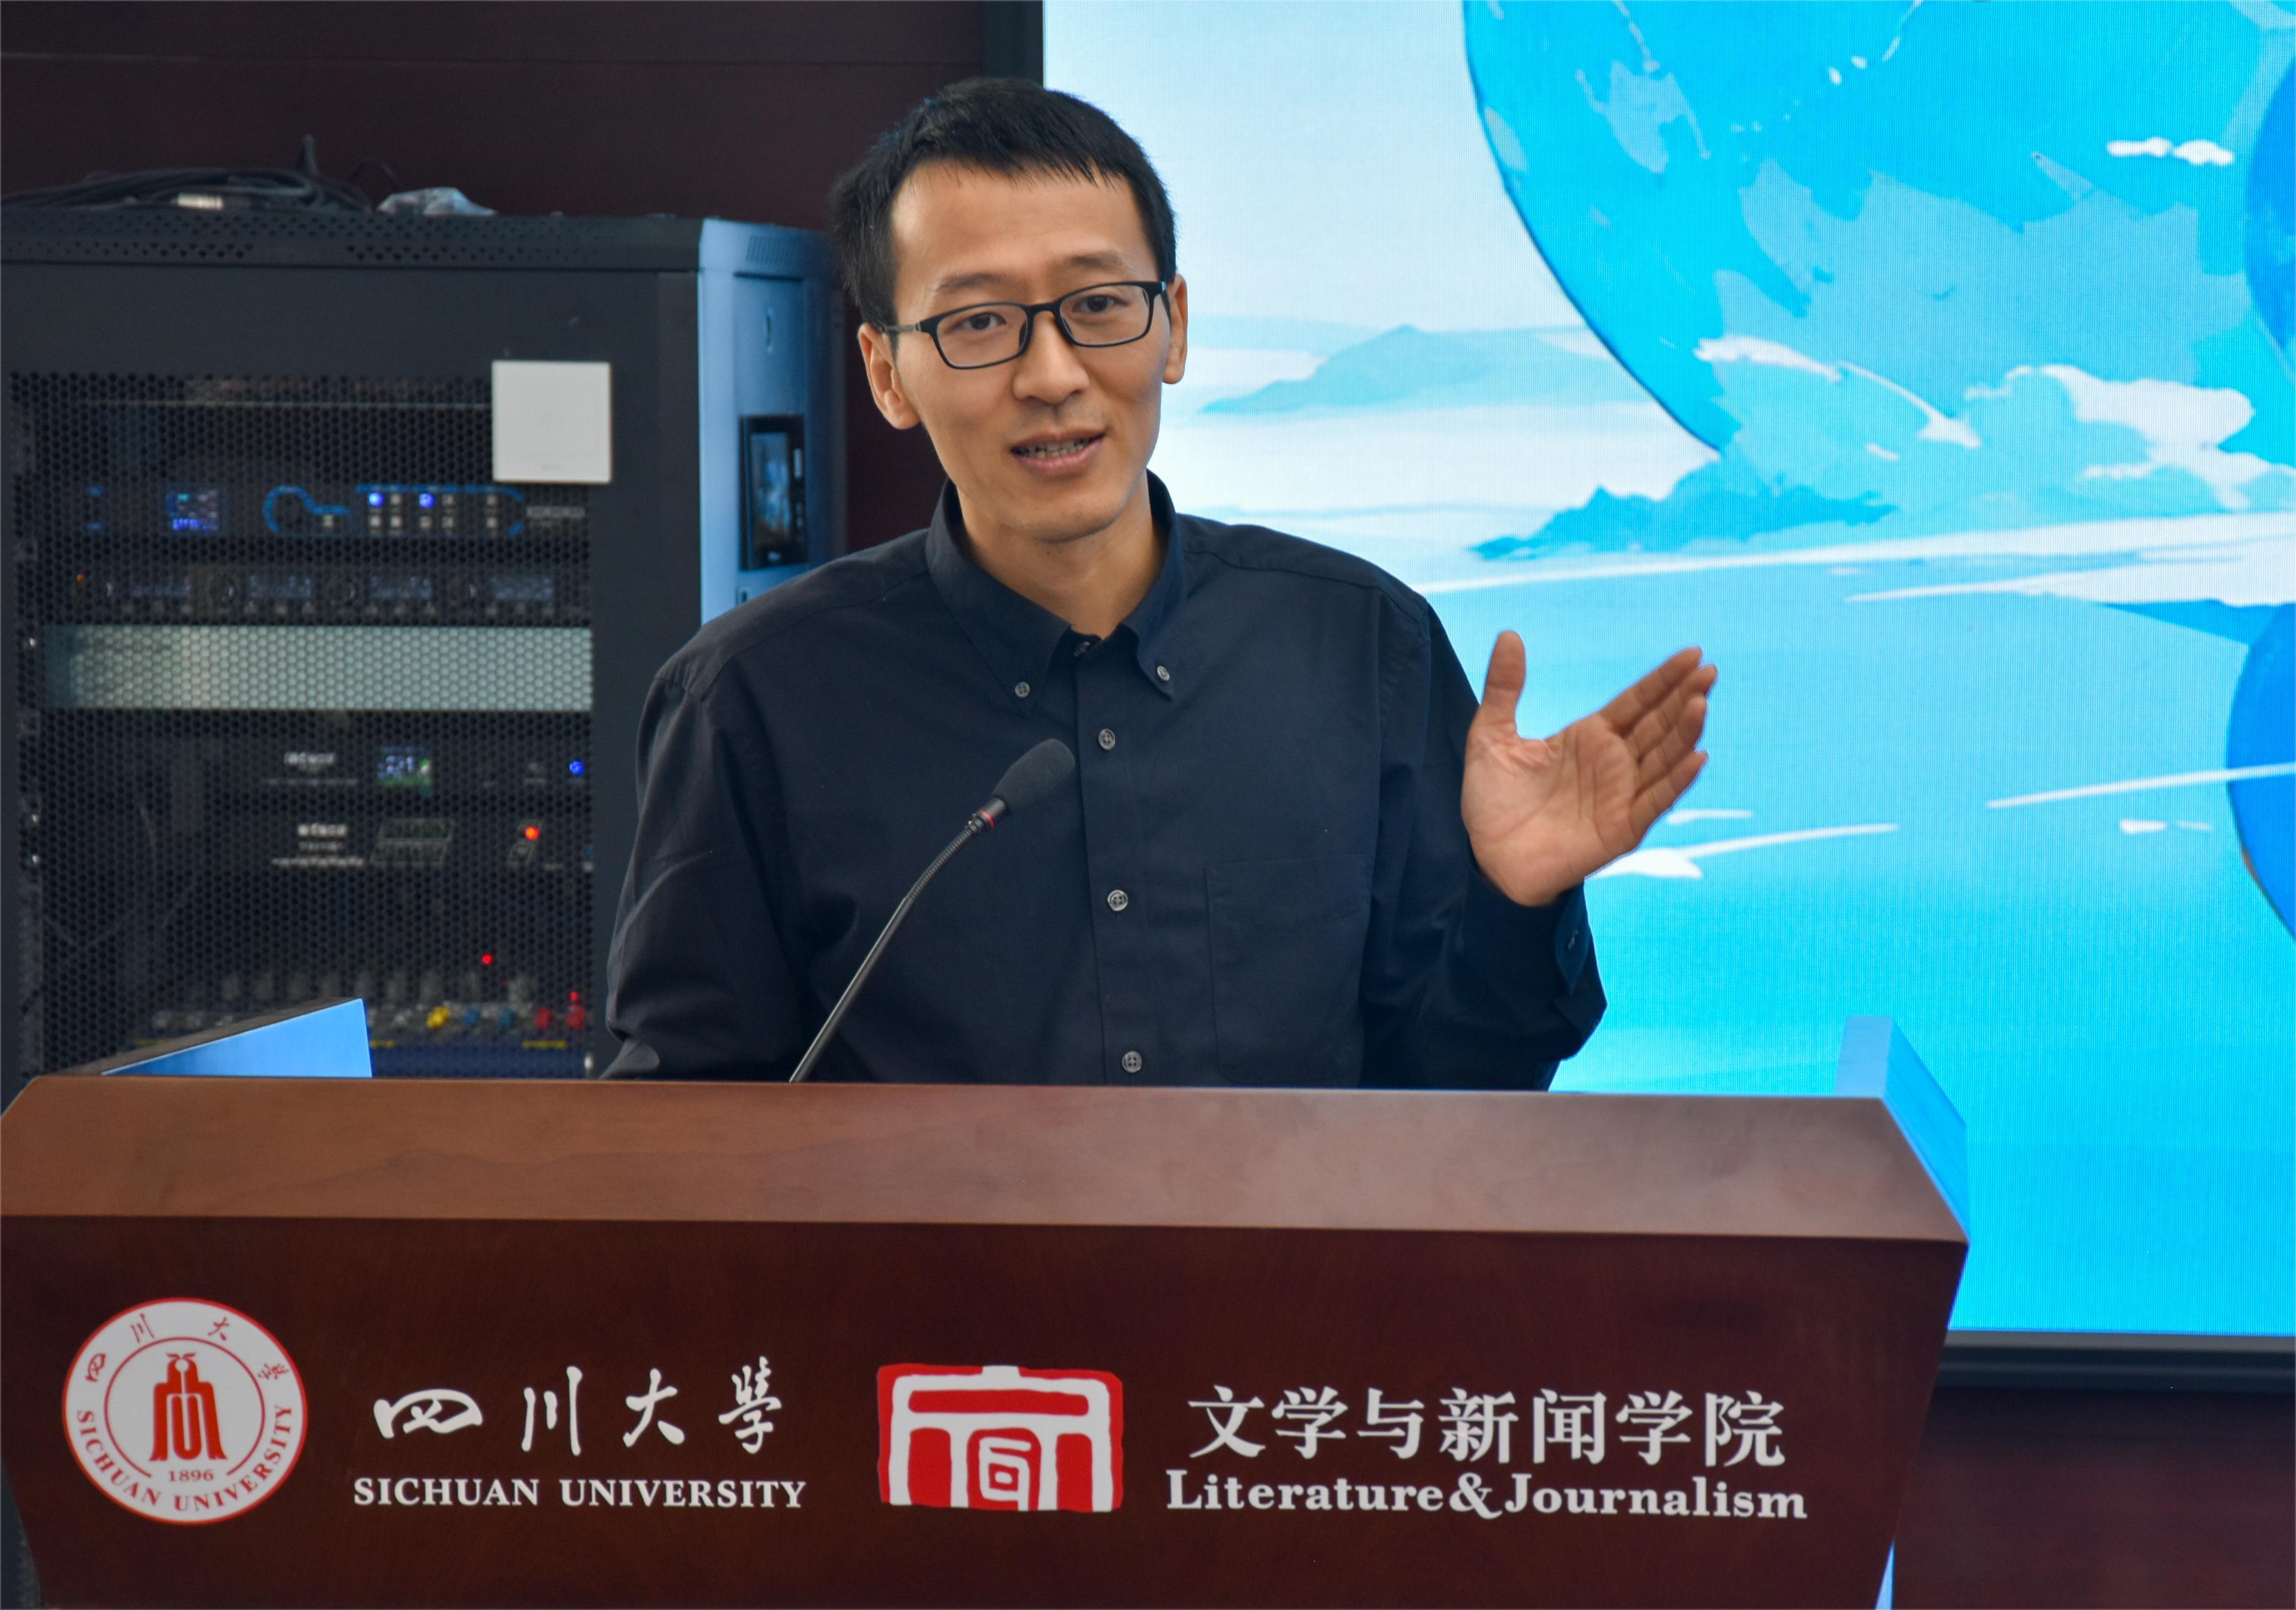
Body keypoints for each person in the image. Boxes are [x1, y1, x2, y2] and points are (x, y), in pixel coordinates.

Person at [602, 79, 1714, 1086]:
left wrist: (1517, 900)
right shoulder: (752, 699)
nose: (1052, 376)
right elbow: (687, 1130)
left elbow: (1451, 1091)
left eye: (1098, 306)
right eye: (979, 322)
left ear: (1173, 326)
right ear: (888, 373)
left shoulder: (1363, 646)